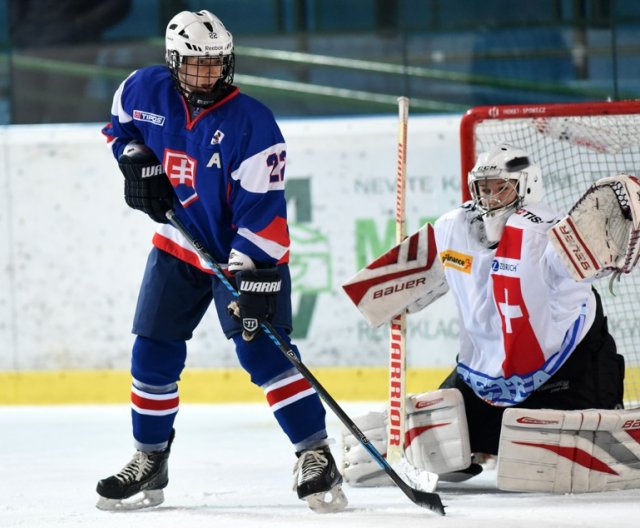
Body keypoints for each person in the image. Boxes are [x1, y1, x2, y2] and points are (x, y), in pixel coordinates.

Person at [96, 10, 347, 513]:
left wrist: (251, 272)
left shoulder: (252, 123)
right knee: (152, 348)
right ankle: (150, 458)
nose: (208, 73)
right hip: (178, 247)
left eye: (216, 63)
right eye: (196, 64)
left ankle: (315, 454)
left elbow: (265, 209)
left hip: (245, 258)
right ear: (173, 62)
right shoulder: (143, 90)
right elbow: (119, 128)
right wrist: (130, 157)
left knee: (265, 355)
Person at [341, 143, 626, 485]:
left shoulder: (547, 231)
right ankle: (472, 444)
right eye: (484, 188)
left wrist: (600, 241)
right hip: (485, 376)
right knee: (437, 439)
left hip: (565, 368)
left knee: (548, 456)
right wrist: (397, 284)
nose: (490, 197)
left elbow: (582, 261)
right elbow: (378, 294)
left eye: (501, 187)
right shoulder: (453, 227)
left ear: (526, 187)